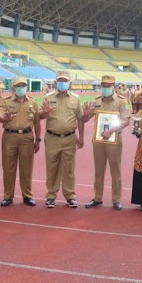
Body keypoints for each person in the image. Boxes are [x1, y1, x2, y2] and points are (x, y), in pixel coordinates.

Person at [81, 75, 129, 210]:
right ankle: (97, 197)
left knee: (115, 170)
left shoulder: (122, 101)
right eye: (104, 85)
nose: (106, 87)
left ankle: (116, 199)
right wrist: (85, 114)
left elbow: (126, 121)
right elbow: (85, 119)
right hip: (98, 140)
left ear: (114, 86)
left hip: (114, 139)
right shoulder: (96, 101)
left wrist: (111, 131)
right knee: (99, 169)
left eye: (108, 85)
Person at [39, 70, 84, 208]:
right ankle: (51, 195)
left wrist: (81, 137)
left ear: (70, 82)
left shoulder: (76, 99)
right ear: (56, 82)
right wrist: (44, 113)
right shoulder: (48, 97)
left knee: (68, 168)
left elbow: (80, 119)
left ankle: (70, 195)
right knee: (52, 167)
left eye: (65, 81)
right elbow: (39, 116)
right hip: (52, 137)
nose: (62, 83)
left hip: (70, 138)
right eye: (60, 80)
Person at [0, 76, 42, 206]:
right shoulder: (6, 102)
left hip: (27, 137)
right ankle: (8, 196)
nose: (21, 88)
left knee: (26, 168)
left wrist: (38, 139)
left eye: (23, 85)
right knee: (8, 167)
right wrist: (4, 118)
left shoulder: (33, 102)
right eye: (18, 86)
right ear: (13, 88)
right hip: (10, 136)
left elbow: (37, 123)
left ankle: (27, 195)